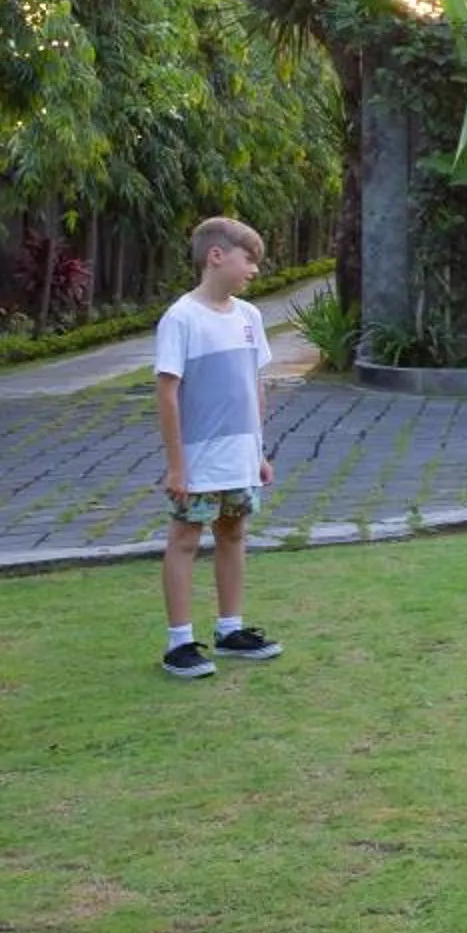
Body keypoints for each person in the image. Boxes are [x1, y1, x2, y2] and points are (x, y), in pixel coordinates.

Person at [153, 216, 283, 679]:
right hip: (199, 459)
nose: (254, 271)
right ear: (217, 255)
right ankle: (180, 642)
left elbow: (254, 384)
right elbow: (167, 393)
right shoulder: (182, 318)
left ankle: (231, 630)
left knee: (233, 533)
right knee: (185, 539)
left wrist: (259, 451)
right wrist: (176, 466)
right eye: (249, 260)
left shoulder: (250, 318)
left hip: (241, 457)